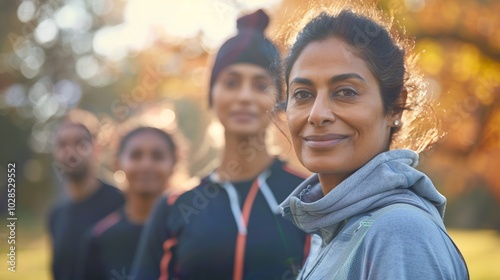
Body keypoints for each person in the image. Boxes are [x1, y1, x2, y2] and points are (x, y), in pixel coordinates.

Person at [277, 6, 469, 279]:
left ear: (394, 108)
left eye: (345, 92)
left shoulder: (399, 232)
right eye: (303, 94)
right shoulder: (331, 229)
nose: (317, 114)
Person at [132, 9, 310, 280]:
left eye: (261, 85)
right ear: (212, 96)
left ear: (279, 102)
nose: (244, 96)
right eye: (231, 82)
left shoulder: (308, 197)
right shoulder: (175, 207)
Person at [76, 127, 177, 280]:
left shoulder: (188, 231)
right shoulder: (99, 237)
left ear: (174, 164)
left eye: (157, 156)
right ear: (118, 163)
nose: (146, 165)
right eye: (136, 156)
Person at [48, 121, 125, 280]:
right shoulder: (55, 215)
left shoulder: (121, 203)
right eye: (62, 145)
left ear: (97, 149)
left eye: (80, 143)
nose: (70, 151)